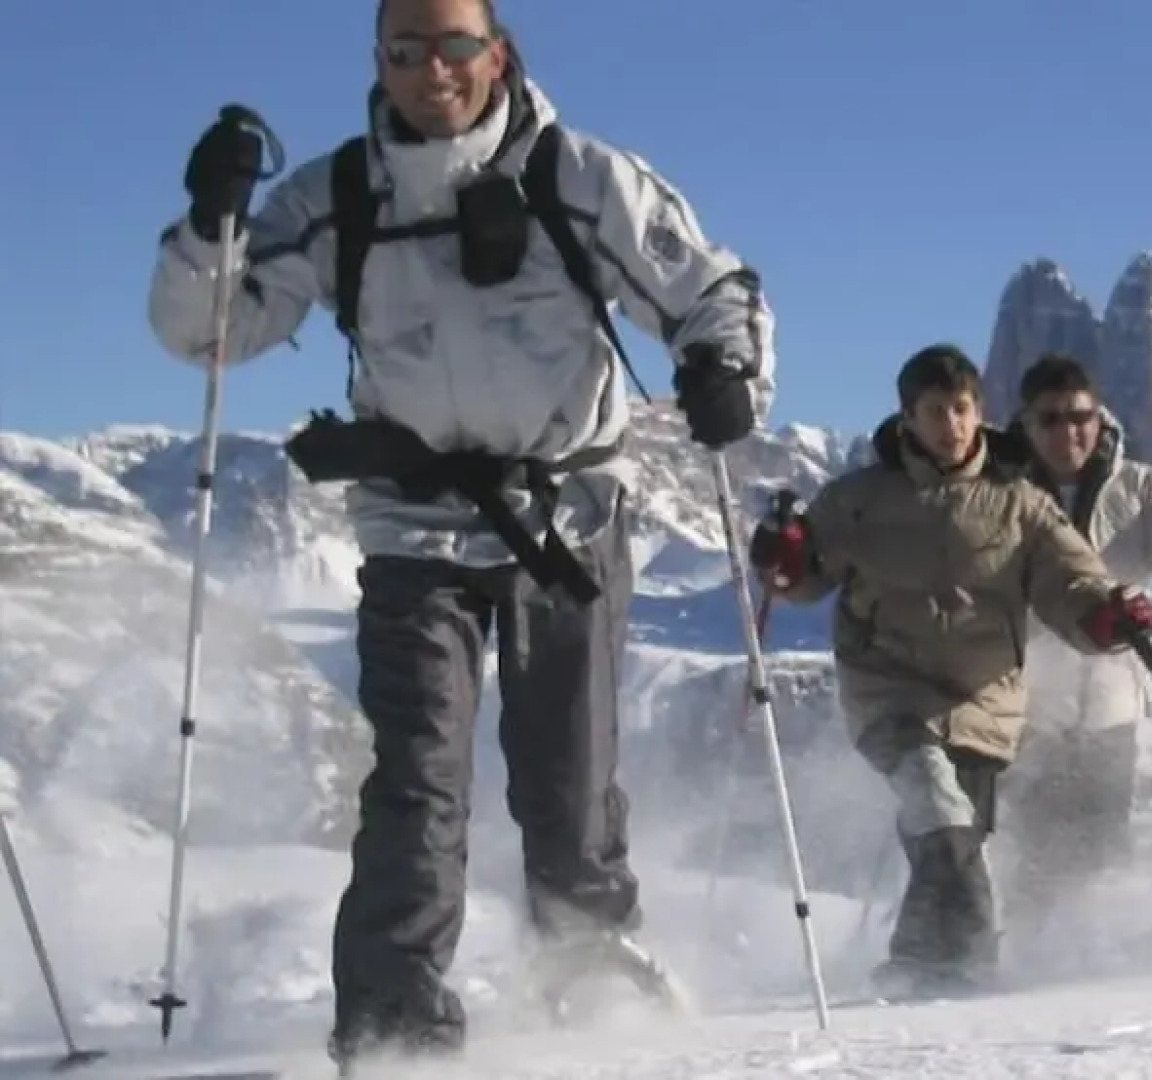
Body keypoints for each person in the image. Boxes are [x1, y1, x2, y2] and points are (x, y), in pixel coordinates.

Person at [144, 0, 773, 1069]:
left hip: (564, 519)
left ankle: (592, 994)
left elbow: (708, 286)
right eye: (405, 50)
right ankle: (395, 1033)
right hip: (410, 527)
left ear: (498, 53)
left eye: (454, 46)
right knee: (417, 780)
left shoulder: (580, 178)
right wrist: (209, 228)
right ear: (378, 61)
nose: (431, 70)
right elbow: (212, 330)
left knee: (567, 784)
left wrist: (724, 370)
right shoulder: (338, 195)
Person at [748, 344, 1152, 996]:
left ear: (981, 411)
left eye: (962, 409)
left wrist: (1108, 617)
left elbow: (1072, 581)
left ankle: (914, 970)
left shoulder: (1018, 502)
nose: (951, 425)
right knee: (940, 815)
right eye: (934, 411)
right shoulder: (858, 499)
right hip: (888, 693)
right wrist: (785, 555)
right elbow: (798, 580)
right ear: (907, 418)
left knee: (953, 841)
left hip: (983, 703)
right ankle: (972, 978)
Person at [996, 353, 1152, 936]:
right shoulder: (998, 490)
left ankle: (1083, 956)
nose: (1067, 432)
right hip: (1027, 700)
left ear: (1100, 417)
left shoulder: (1137, 487)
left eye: (1079, 416)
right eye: (1049, 419)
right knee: (1029, 834)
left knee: (1101, 837)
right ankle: (1025, 952)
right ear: (1025, 425)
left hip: (1111, 701)